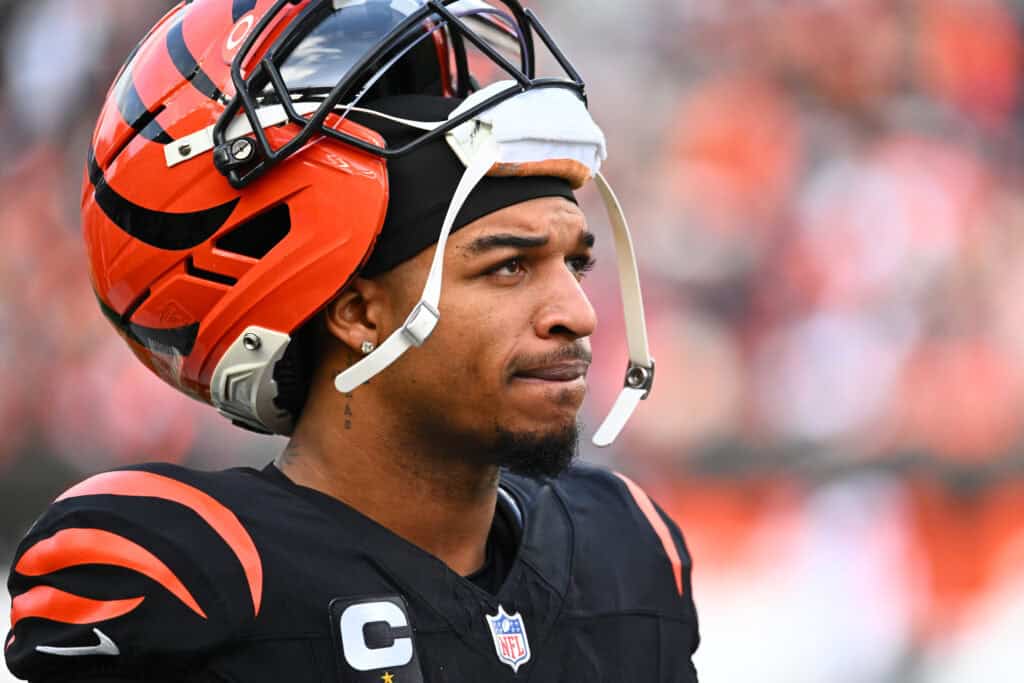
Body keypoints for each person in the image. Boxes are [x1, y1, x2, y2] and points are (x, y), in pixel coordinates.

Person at [5, 1, 699, 680]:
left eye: (575, 263)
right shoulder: (199, 574)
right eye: (508, 266)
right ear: (358, 312)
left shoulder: (628, 549)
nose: (577, 314)